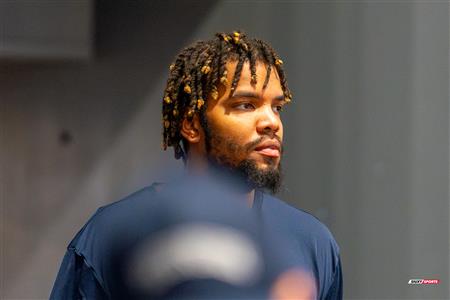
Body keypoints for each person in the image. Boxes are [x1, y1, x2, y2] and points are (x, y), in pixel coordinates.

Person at [50, 31, 343, 299]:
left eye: (276, 107)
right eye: (245, 105)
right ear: (191, 125)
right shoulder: (111, 233)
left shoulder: (312, 242)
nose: (271, 122)